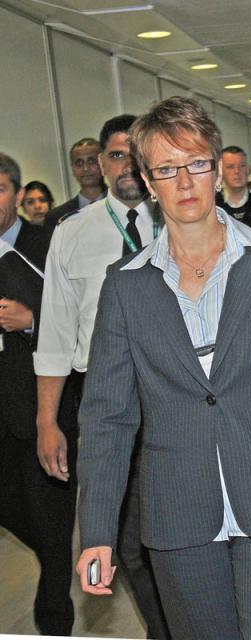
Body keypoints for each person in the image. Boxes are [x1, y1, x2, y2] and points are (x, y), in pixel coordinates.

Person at [74, 96, 251, 639]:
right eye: (167, 169)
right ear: (148, 184)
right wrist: (98, 529)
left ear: (217, 169)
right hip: (179, 509)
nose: (184, 182)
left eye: (196, 163)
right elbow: (107, 417)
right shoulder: (126, 284)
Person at [34, 114, 170, 640]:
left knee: (185, 528)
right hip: (109, 402)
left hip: (179, 397)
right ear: (101, 165)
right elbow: (56, 339)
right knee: (128, 541)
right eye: (115, 156)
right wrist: (48, 420)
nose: (125, 167)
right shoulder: (73, 234)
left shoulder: (186, 220)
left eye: (134, 155)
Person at [0, 153, 75, 636]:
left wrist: (32, 322)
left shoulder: (46, 244)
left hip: (41, 411)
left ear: (17, 194)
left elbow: (81, 322)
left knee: (51, 530)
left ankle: (54, 625)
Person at [45, 138, 107, 228]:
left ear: (103, 163)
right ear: (72, 168)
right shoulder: (56, 217)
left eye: (91, 161)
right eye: (79, 162)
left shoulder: (123, 204)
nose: (86, 168)